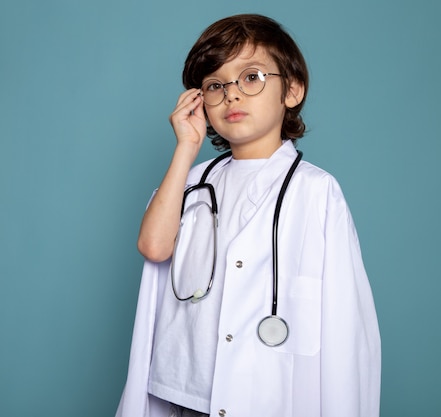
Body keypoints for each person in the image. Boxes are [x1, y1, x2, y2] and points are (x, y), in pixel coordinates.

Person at [116, 14, 381, 417]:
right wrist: (186, 147)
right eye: (215, 86)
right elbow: (153, 247)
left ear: (291, 90)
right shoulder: (191, 181)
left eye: (252, 77)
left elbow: (346, 323)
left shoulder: (317, 191)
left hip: (268, 397)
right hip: (187, 396)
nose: (232, 95)